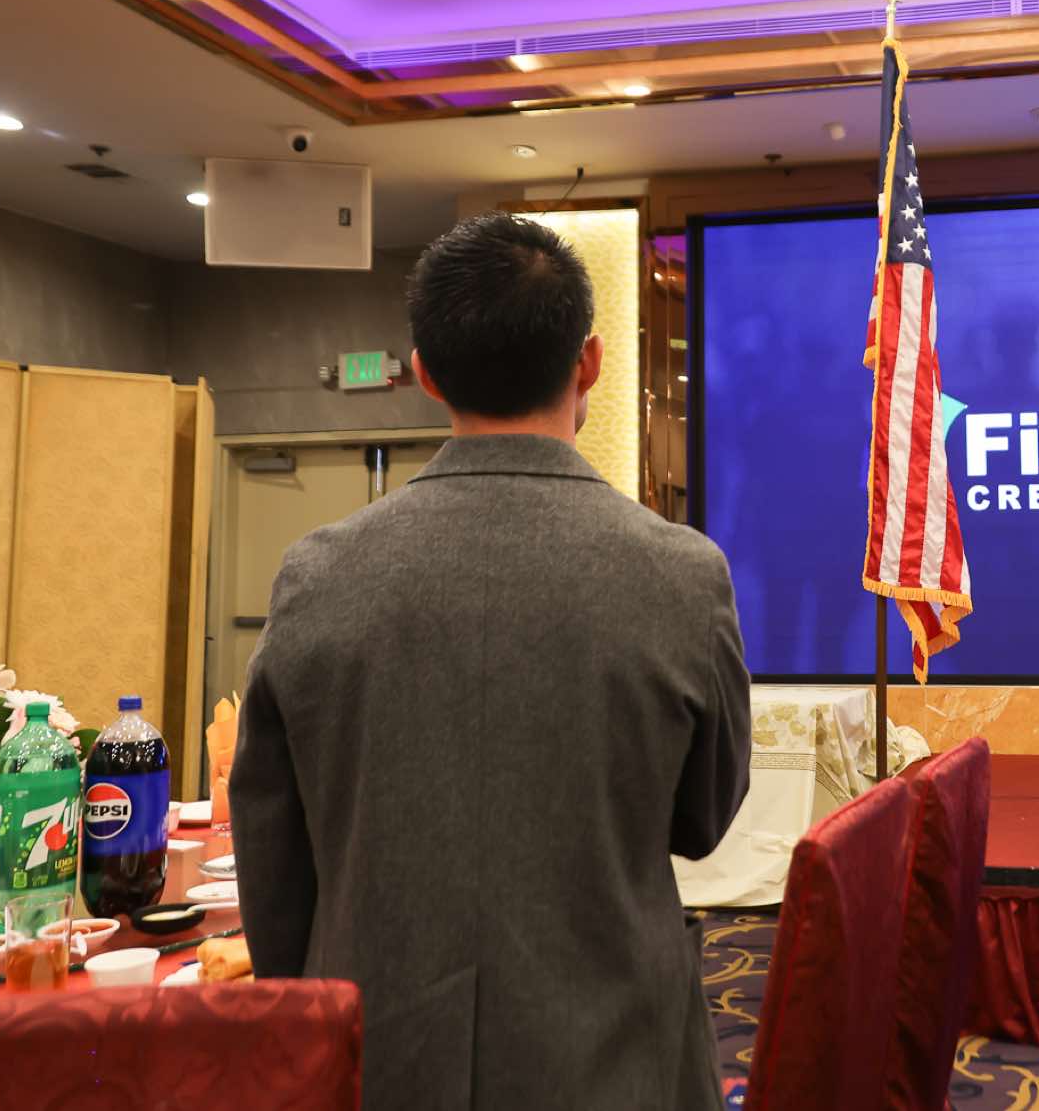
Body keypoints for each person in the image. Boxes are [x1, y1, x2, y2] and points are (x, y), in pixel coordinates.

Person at [230, 213, 753, 1111]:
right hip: (620, 1064)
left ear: (426, 371)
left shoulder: (313, 574)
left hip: (374, 1062)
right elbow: (702, 820)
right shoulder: (684, 574)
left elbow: (274, 870)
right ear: (590, 363)